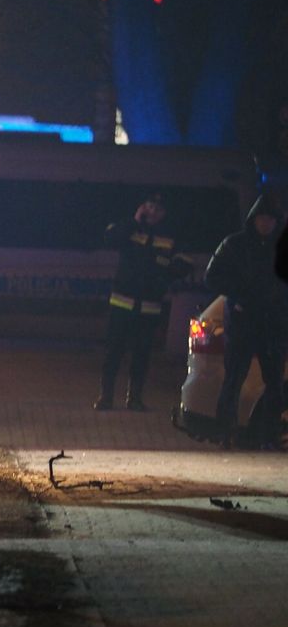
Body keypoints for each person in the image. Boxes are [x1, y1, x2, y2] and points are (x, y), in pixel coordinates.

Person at [95, 192, 192, 411]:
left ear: (164, 213)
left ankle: (135, 398)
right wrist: (134, 220)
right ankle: (106, 397)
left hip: (149, 305)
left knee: (142, 353)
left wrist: (164, 276)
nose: (153, 212)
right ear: (143, 207)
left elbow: (185, 262)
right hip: (122, 302)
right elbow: (110, 238)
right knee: (113, 351)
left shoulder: (171, 234)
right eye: (150, 206)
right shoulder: (130, 228)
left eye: (158, 209)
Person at [205, 194, 288, 449]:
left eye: (270, 219)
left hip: (272, 325)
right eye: (262, 218)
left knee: (274, 383)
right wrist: (238, 297)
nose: (266, 224)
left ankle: (268, 437)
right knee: (234, 379)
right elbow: (212, 277)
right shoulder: (234, 244)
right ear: (253, 219)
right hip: (243, 322)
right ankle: (224, 433)